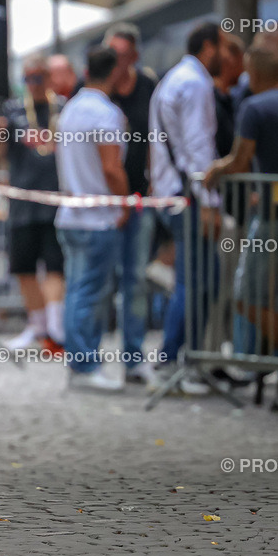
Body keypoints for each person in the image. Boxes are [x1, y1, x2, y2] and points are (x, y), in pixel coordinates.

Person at [203, 45, 278, 411]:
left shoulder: (255, 107)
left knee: (248, 299)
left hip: (277, 219)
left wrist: (215, 171)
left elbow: (241, 160)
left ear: (254, 73)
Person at [149, 21, 223, 386]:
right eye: (223, 48)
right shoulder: (193, 83)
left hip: (175, 193)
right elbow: (198, 147)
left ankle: (176, 358)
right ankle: (177, 359)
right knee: (198, 280)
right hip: (188, 196)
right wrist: (208, 201)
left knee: (194, 279)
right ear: (209, 47)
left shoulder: (176, 79)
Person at [54, 47, 128, 392]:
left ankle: (79, 362)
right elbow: (112, 168)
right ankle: (85, 364)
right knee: (91, 293)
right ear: (114, 72)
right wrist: (124, 204)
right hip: (96, 217)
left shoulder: (70, 110)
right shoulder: (104, 113)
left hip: (71, 214)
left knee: (77, 290)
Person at [0, 55, 65, 354]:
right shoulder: (13, 111)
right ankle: (38, 325)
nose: (33, 84)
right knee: (24, 268)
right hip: (23, 202)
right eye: (28, 78)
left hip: (56, 200)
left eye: (38, 77)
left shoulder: (63, 108)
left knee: (55, 265)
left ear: (48, 77)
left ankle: (56, 328)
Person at [103, 23, 160, 387]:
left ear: (135, 56)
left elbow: (156, 136)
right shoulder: (97, 88)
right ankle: (88, 360)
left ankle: (133, 358)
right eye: (111, 55)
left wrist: (154, 182)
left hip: (139, 198)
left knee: (135, 280)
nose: (116, 63)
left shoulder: (148, 88)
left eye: (121, 55)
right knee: (99, 282)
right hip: (104, 201)